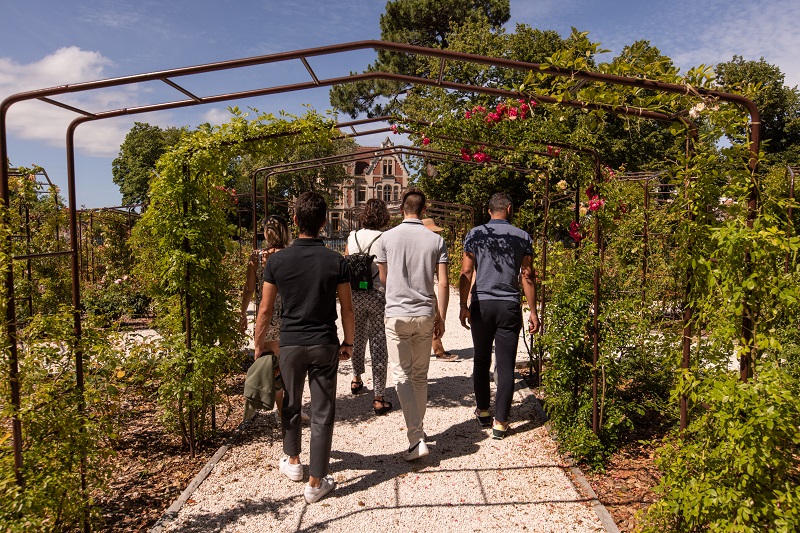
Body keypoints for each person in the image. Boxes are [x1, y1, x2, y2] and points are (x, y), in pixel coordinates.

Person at [255, 192, 354, 504]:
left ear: (295, 220)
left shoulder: (277, 261)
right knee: (323, 411)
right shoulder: (336, 261)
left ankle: (294, 461)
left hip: (291, 344)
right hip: (324, 341)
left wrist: (258, 345)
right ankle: (315, 482)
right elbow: (347, 309)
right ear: (324, 222)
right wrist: (348, 342)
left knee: (291, 403)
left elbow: (265, 310)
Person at [459, 192, 540, 440]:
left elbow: (466, 271)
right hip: (508, 306)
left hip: (482, 304)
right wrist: (533, 310)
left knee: (481, 359)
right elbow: (527, 276)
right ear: (509, 208)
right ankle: (501, 422)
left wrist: (463, 305)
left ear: (489, 211)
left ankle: (483, 410)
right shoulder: (523, 236)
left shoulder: (475, 234)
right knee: (505, 364)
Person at [376, 189, 448, 461]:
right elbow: (441, 282)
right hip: (424, 313)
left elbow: (383, 278)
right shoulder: (436, 240)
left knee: (402, 375)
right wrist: (441, 316)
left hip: (396, 313)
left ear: (401, 209)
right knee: (420, 375)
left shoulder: (386, 238)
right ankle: (418, 432)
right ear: (424, 209)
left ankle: (415, 437)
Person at [239, 215, 291, 419]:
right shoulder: (290, 256)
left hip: (266, 316)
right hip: (287, 316)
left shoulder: (256, 257)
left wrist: (242, 313)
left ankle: (280, 410)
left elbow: (248, 289)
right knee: (287, 365)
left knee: (273, 366)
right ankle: (286, 409)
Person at [344, 198, 393, 416]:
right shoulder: (385, 238)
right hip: (377, 295)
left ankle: (356, 379)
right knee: (378, 341)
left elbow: (345, 264)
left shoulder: (352, 236)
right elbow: (385, 273)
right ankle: (379, 396)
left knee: (357, 337)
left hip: (355, 295)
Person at [422, 217, 458, 362]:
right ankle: (439, 351)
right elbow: (443, 281)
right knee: (434, 318)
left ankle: (438, 349)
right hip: (427, 290)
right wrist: (442, 318)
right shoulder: (433, 246)